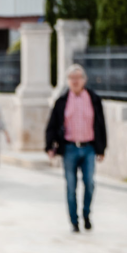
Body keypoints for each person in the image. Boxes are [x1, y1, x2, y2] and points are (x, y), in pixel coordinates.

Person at [45, 64, 107, 233]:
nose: (75, 81)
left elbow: (101, 125)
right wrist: (50, 146)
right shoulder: (62, 101)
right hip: (70, 148)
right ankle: (74, 221)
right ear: (68, 81)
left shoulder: (94, 99)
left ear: (84, 80)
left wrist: (101, 149)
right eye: (72, 78)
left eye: (78, 78)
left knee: (89, 183)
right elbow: (52, 125)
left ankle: (86, 214)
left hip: (89, 148)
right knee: (71, 186)